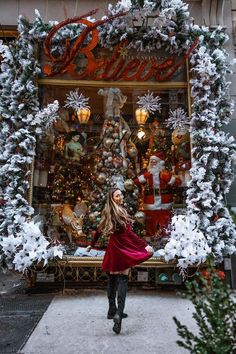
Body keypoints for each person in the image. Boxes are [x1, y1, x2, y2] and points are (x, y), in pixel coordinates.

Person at [87, 188, 153, 334]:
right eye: (117, 195)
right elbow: (130, 234)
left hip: (112, 249)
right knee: (123, 279)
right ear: (112, 198)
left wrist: (92, 244)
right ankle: (118, 314)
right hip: (123, 249)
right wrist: (145, 245)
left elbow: (98, 230)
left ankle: (112, 310)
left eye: (121, 194)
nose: (121, 197)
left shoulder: (107, 212)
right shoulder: (120, 213)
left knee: (111, 279)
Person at [134, 153, 181, 238]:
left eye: (154, 162)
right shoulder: (147, 175)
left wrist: (168, 178)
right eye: (151, 162)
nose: (152, 164)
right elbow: (136, 182)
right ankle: (150, 235)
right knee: (150, 221)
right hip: (150, 203)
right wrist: (146, 176)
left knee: (165, 220)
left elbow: (178, 182)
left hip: (164, 202)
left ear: (160, 163)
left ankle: (165, 236)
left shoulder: (165, 174)